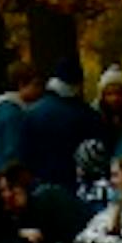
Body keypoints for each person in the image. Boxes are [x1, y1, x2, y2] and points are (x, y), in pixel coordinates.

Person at [19, 60, 106, 191]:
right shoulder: (88, 116)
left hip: (40, 186)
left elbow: (24, 155)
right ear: (78, 84)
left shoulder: (32, 113)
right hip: (74, 187)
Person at [0, 65, 42, 175]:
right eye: (36, 85)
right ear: (21, 84)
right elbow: (14, 151)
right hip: (10, 177)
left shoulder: (3, 109)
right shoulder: (13, 114)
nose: (39, 90)